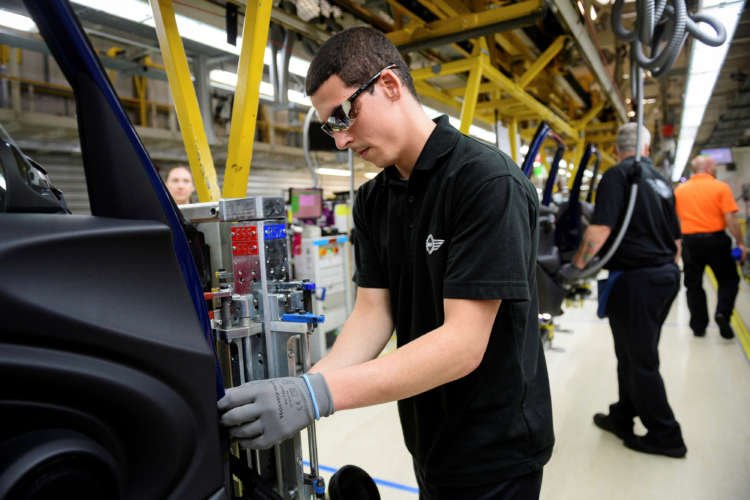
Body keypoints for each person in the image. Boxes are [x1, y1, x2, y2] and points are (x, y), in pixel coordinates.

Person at [217, 27, 554, 499]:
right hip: (427, 437)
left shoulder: (486, 181)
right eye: (330, 127)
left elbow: (463, 343)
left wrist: (318, 397)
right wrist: (304, 387)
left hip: (496, 448)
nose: (340, 140)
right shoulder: (374, 199)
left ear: (390, 86)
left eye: (343, 115)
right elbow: (375, 313)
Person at [567, 123, 686, 458]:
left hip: (637, 281)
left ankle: (667, 434)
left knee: (641, 360)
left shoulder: (619, 176)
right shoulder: (661, 181)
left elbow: (601, 229)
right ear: (647, 149)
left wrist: (576, 268)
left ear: (618, 148)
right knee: (631, 354)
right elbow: (677, 241)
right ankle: (623, 415)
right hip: (664, 276)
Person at [674, 155, 745, 339]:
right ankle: (722, 313)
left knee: (693, 285)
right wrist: (740, 243)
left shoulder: (680, 191)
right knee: (729, 280)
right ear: (707, 168)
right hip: (716, 241)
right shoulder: (720, 187)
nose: (715, 169)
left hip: (690, 243)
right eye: (714, 166)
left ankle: (698, 326)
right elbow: (730, 219)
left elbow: (675, 221)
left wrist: (677, 248)